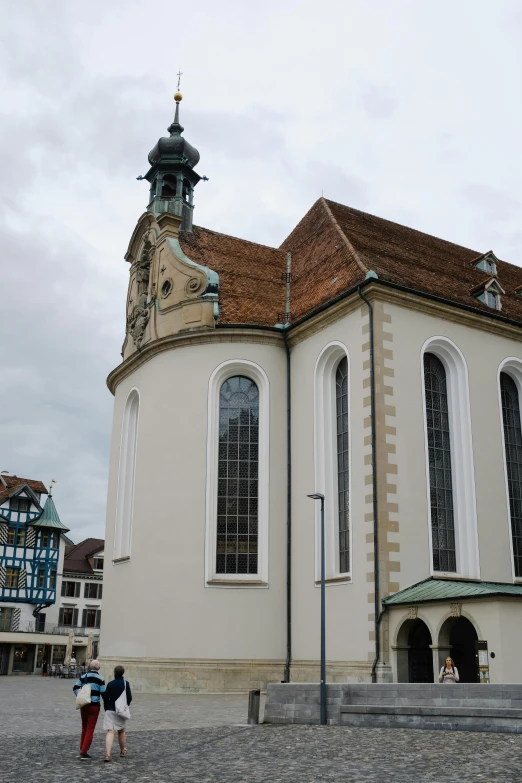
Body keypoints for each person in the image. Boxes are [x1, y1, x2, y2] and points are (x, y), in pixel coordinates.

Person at [73, 659, 106, 759]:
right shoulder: (100, 679)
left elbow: (75, 687)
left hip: (84, 705)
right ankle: (84, 751)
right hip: (94, 705)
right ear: (98, 668)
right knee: (90, 728)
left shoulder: (83, 677)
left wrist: (80, 696)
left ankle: (81, 747)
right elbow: (104, 693)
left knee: (84, 727)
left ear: (89, 667)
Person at [102, 665, 132, 762]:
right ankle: (122, 750)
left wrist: (106, 707)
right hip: (120, 711)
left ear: (114, 673)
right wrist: (125, 706)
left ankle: (107, 754)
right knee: (121, 731)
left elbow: (105, 697)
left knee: (110, 731)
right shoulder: (126, 683)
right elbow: (129, 697)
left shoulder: (110, 684)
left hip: (110, 709)